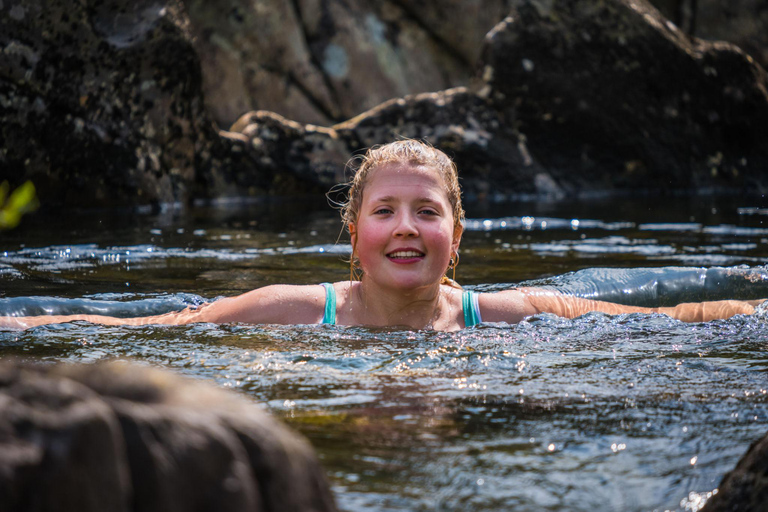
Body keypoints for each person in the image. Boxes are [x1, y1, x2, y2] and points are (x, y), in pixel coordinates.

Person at [1, 140, 763, 331]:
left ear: (455, 238)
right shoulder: (292, 309)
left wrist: (749, 312)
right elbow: (157, 327)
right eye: (386, 212)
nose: (407, 227)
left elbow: (659, 323)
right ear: (355, 235)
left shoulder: (506, 315)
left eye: (428, 212)